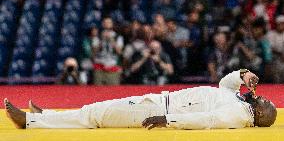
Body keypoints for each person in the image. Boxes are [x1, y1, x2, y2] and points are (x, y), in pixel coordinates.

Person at [4, 69, 277, 129]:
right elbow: (223, 85)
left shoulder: (240, 115)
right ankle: (46, 114)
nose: (263, 98)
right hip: (160, 100)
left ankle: (30, 122)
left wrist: (167, 120)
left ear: (262, 116)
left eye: (267, 103)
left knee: (98, 114)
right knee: (98, 109)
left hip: (161, 109)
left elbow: (206, 119)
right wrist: (242, 75)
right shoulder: (239, 101)